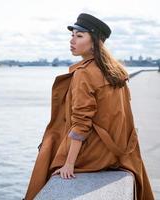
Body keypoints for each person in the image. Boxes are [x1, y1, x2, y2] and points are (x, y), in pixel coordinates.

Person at [23, 13, 154, 200]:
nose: (72, 40)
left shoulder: (84, 73)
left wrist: (69, 164)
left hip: (95, 155)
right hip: (117, 152)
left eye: (79, 36)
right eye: (72, 35)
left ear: (95, 42)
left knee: (48, 152)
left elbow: (81, 124)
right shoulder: (115, 71)